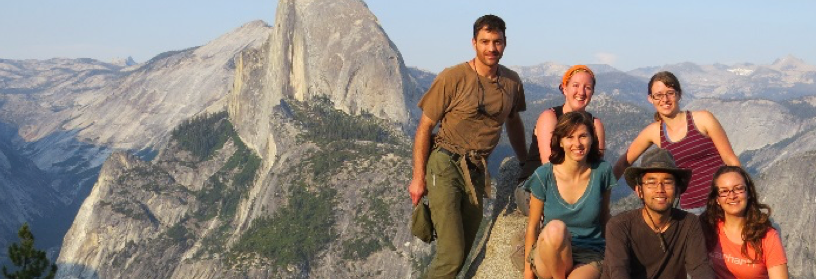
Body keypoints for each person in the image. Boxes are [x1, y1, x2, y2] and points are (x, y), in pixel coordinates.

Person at [407, 14, 527, 278]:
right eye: (485, 41)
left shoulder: (511, 82)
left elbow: (514, 122)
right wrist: (418, 178)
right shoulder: (453, 77)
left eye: (497, 42)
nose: (491, 48)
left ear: (505, 43)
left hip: (476, 172)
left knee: (463, 253)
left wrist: (525, 162)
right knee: (451, 255)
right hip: (445, 164)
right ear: (474, 43)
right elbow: (424, 127)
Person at [613, 71, 740, 215]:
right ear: (651, 99)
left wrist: (743, 195)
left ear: (679, 95)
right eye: (658, 95)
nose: (665, 99)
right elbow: (624, 162)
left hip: (721, 203)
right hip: (690, 211)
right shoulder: (654, 132)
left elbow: (730, 160)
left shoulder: (703, 119)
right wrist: (603, 191)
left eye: (670, 93)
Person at [523, 111, 615, 279]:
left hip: (590, 252)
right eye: (569, 137)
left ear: (592, 138)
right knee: (556, 228)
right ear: (560, 142)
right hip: (550, 251)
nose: (577, 143)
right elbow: (533, 225)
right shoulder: (543, 175)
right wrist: (527, 274)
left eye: (583, 136)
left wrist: (616, 253)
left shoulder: (602, 171)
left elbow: (604, 216)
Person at [604, 148, 714, 279]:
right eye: (651, 183)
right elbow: (619, 271)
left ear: (677, 189)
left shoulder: (689, 224)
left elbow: (700, 269)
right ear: (639, 190)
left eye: (667, 182)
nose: (660, 189)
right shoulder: (620, 226)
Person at [516, 65, 606, 216]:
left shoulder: (595, 125)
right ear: (564, 88)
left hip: (577, 186)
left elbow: (597, 167)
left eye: (587, 87)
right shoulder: (549, 117)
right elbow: (549, 166)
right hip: (537, 185)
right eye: (575, 86)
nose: (581, 92)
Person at [700, 166, 789, 279]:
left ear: (749, 193)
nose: (732, 196)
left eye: (738, 188)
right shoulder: (707, 228)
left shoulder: (767, 237)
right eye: (724, 191)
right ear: (717, 199)